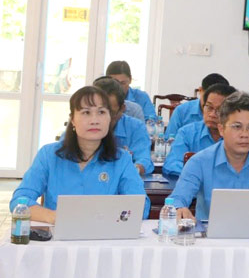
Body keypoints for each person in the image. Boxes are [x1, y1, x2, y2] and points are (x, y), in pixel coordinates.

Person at [10, 86, 150, 222]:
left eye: (101, 112)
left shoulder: (121, 159)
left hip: (103, 238)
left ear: (110, 118)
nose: (94, 120)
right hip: (56, 237)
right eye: (86, 113)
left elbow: (141, 206)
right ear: (72, 119)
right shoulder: (49, 155)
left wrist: (107, 217)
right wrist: (53, 217)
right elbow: (19, 201)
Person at [170, 92, 249, 222]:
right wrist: (179, 208)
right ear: (221, 129)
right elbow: (177, 199)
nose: (245, 134)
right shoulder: (199, 161)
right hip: (210, 238)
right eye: (237, 127)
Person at [162, 84, 237, 177]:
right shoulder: (187, 133)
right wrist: (203, 173)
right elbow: (171, 165)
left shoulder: (239, 136)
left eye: (220, 110)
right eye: (209, 107)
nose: (212, 114)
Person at [93, 76, 152, 176]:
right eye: (100, 112)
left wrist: (131, 170)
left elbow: (144, 161)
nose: (103, 119)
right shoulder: (80, 126)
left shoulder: (136, 127)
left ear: (122, 109)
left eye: (110, 113)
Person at [166, 73, 229, 137]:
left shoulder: (229, 113)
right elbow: (170, 141)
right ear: (200, 90)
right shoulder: (181, 111)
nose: (212, 114)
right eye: (208, 96)